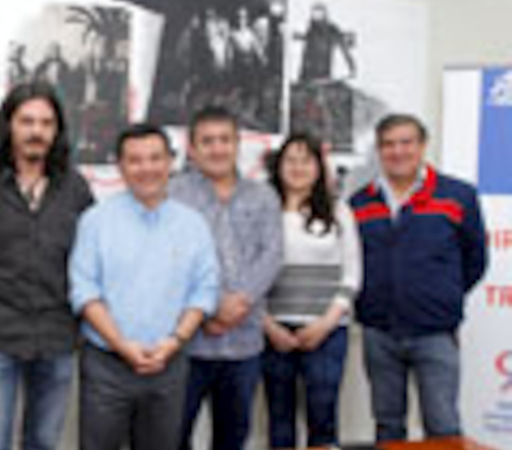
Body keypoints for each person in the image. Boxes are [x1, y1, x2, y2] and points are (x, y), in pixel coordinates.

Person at [0, 82, 94, 450]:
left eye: (46, 123)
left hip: (57, 336)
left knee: (44, 442)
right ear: (9, 125)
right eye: (27, 121)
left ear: (57, 131)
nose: (37, 131)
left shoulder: (76, 189)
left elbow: (90, 259)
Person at [70, 123, 219, 450]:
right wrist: (122, 345)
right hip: (107, 366)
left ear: (170, 162)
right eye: (135, 160)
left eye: (155, 158)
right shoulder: (95, 221)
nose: (146, 168)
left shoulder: (193, 225)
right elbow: (84, 291)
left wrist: (174, 341)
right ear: (120, 166)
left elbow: (204, 290)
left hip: (169, 365)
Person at [350, 114, 487, 442]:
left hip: (435, 332)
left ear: (423, 146)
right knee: (387, 425)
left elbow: (475, 260)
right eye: (388, 144)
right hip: (379, 332)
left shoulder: (458, 196)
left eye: (406, 142)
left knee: (442, 427)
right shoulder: (359, 202)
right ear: (379, 150)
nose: (397, 151)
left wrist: (441, 295)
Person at [171, 106, 283, 450]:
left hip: (244, 343)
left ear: (237, 144)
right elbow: (172, 259)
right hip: (188, 343)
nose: (217, 148)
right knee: (174, 436)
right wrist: (211, 307)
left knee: (233, 439)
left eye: (225, 140)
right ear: (192, 148)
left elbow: (272, 255)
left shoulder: (263, 196)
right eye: (207, 141)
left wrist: (239, 304)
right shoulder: (173, 194)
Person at [263, 134, 362, 448]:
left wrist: (325, 324)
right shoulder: (264, 211)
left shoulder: (339, 211)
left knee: (323, 418)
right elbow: (248, 276)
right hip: (273, 332)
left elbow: (352, 275)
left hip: (327, 332)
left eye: (306, 160)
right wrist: (269, 325)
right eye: (290, 160)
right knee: (279, 419)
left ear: (320, 167)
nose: (298, 167)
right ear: (278, 166)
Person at [296, 2, 356, 83]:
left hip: (322, 74)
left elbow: (344, 48)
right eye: (315, 15)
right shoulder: (312, 30)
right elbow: (306, 39)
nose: (317, 18)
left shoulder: (331, 30)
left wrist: (352, 68)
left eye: (319, 14)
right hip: (306, 74)